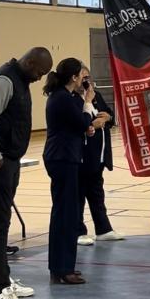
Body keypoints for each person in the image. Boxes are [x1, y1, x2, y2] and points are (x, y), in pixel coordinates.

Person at [0, 47, 53, 299]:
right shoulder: (3, 81)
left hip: (10, 161)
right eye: (40, 72)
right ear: (30, 62)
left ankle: (4, 278)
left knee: (4, 221)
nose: (40, 77)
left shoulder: (21, 81)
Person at [42, 58, 92, 285]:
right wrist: (88, 103)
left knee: (66, 212)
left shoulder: (66, 96)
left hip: (65, 157)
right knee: (65, 213)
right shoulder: (62, 97)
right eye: (81, 75)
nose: (83, 79)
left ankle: (62, 266)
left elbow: (76, 125)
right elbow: (81, 121)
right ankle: (62, 268)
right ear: (73, 77)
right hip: (62, 158)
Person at [78, 70, 123, 245]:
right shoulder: (73, 99)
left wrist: (108, 117)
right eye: (83, 77)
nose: (86, 81)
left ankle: (103, 229)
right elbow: (78, 123)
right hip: (83, 156)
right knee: (79, 195)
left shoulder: (96, 95)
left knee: (97, 194)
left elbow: (109, 114)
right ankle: (78, 231)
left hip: (99, 155)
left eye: (88, 77)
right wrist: (92, 124)